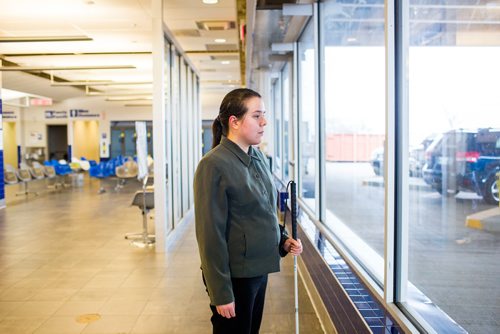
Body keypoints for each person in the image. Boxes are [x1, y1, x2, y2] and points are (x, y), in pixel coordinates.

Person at [194, 88, 303, 334]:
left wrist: (283, 240)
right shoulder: (213, 165)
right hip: (235, 277)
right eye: (256, 116)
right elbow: (210, 236)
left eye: (263, 115)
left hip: (257, 270)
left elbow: (262, 212)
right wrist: (221, 293)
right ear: (234, 121)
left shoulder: (257, 157)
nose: (264, 122)